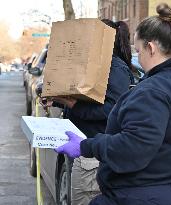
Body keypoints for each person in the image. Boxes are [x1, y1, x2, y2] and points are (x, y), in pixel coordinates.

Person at [55, 3, 171, 205]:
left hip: (147, 195)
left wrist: (86, 146)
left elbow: (133, 147)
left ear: (151, 48)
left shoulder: (153, 91)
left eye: (139, 50)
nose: (138, 58)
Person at [44, 19, 134, 205]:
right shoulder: (96, 66)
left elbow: (112, 111)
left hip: (94, 158)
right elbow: (89, 101)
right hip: (84, 151)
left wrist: (73, 105)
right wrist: (58, 101)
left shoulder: (115, 68)